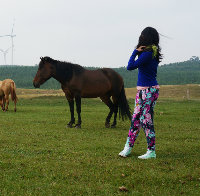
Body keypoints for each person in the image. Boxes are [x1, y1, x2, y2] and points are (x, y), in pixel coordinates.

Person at [119, 27, 162, 159]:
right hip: (144, 91)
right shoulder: (151, 52)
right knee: (136, 119)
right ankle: (128, 147)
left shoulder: (148, 54)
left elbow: (130, 66)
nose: (140, 37)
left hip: (148, 91)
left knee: (145, 120)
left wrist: (135, 52)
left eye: (143, 35)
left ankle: (151, 151)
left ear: (147, 38)